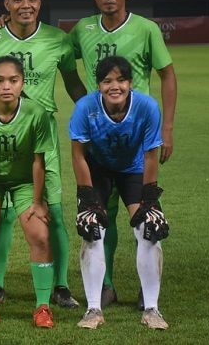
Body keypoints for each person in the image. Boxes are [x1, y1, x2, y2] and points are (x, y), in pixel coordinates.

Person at [0, 0, 86, 308]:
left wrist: (96, 113)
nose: (26, 5)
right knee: (2, 213)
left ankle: (61, 286)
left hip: (41, 137)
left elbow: (73, 84)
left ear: (40, 2)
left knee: (52, 212)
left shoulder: (59, 41)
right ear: (6, 5)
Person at [70, 0, 176, 308]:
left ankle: (147, 292)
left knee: (142, 212)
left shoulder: (145, 29)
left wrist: (167, 128)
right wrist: (83, 104)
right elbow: (58, 54)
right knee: (102, 214)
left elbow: (168, 75)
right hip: (99, 138)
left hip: (137, 137)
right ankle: (108, 284)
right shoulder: (83, 29)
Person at [69, 56, 169, 330]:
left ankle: (152, 308)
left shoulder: (147, 107)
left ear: (130, 83)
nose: (115, 86)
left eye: (121, 80)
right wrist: (88, 198)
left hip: (133, 168)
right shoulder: (85, 108)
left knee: (150, 227)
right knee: (92, 227)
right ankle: (93, 309)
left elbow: (150, 155)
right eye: (107, 81)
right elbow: (78, 156)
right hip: (98, 168)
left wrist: (149, 197)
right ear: (99, 85)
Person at [0, 56, 55, 329]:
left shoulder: (36, 113)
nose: (6, 86)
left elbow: (38, 161)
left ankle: (43, 307)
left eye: (13, 80)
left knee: (39, 234)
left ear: (22, 83)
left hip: (25, 182)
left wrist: (38, 202)